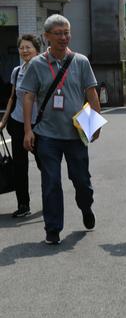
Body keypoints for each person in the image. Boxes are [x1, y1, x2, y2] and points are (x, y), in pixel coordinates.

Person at [21, 15, 101, 245]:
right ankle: (53, 228)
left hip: (76, 134)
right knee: (51, 182)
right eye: (58, 33)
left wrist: (95, 123)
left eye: (67, 32)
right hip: (47, 134)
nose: (64, 37)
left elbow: (91, 92)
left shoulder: (80, 61)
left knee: (81, 181)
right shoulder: (37, 64)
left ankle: (86, 207)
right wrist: (28, 130)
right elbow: (28, 97)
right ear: (46, 37)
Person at [0, 34, 42, 217]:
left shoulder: (43, 70)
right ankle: (23, 205)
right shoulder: (17, 71)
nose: (24, 51)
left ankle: (50, 200)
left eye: (28, 47)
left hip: (39, 125)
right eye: (22, 47)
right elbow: (12, 97)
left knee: (45, 164)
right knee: (19, 166)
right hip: (17, 124)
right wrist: (3, 120)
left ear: (36, 50)